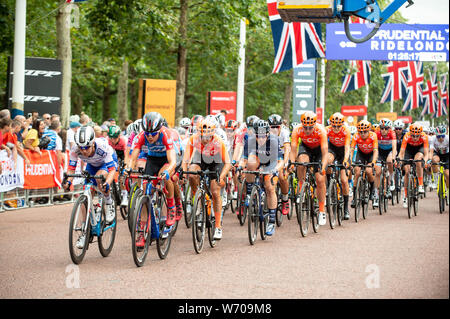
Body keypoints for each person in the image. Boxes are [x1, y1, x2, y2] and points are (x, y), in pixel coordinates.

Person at [126, 112, 179, 240]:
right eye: (147, 133)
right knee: (145, 190)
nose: (150, 137)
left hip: (166, 160)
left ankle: (171, 207)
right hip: (152, 159)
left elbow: (172, 161)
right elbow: (133, 159)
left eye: (153, 134)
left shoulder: (166, 135)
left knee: (165, 177)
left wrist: (168, 172)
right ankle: (142, 229)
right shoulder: (140, 136)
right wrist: (127, 169)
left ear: (159, 130)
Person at [63, 126, 118, 248]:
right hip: (92, 165)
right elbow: (71, 169)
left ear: (92, 143)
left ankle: (109, 203)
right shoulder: (75, 149)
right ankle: (84, 230)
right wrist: (68, 181)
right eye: (81, 148)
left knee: (100, 180)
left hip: (106, 164)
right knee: (85, 195)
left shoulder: (103, 147)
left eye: (87, 147)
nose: (83, 151)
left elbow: (112, 170)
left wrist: (107, 183)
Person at [182, 117, 232, 240]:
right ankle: (197, 199)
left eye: (208, 137)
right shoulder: (193, 139)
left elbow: (228, 164)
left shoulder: (218, 141)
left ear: (212, 135)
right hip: (201, 159)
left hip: (216, 162)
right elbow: (186, 160)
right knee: (192, 174)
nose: (205, 140)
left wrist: (221, 177)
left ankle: (218, 226)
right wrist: (184, 173)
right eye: (203, 137)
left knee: (215, 191)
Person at [238, 119, 283, 236]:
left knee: (269, 187)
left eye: (264, 136)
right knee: (250, 164)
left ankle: (272, 221)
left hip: (271, 163)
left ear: (268, 134)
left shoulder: (274, 140)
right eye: (259, 136)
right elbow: (244, 158)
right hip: (257, 159)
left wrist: (275, 170)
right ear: (255, 134)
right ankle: (249, 192)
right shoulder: (250, 140)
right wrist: (240, 166)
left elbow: (280, 161)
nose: (261, 139)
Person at [290, 111, 328, 225]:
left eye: (310, 128)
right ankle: (302, 187)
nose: (307, 130)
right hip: (306, 148)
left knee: (320, 180)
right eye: (305, 127)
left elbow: (325, 153)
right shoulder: (297, 129)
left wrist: (323, 167)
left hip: (319, 151)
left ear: (314, 125)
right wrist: (291, 163)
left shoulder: (321, 130)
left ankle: (321, 211)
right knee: (301, 162)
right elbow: (293, 149)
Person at [326, 112, 351, 219]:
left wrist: (345, 160)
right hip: (332, 149)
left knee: (344, 181)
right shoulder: (327, 129)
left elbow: (347, 149)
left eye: (338, 126)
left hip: (343, 152)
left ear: (342, 124)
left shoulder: (346, 130)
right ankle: (328, 185)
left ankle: (346, 208)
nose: (336, 128)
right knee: (327, 161)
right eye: (334, 125)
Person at [397, 122, 429, 208]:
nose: (415, 138)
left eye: (417, 136)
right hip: (409, 149)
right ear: (410, 133)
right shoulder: (406, 136)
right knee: (407, 171)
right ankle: (406, 196)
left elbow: (426, 154)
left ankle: (421, 184)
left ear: (420, 134)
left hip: (419, 149)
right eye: (413, 136)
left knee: (418, 160)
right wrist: (399, 160)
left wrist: (425, 161)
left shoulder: (424, 137)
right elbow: (402, 152)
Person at [350, 120, 380, 208]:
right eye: (360, 132)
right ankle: (355, 198)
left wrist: (373, 162)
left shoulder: (373, 136)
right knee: (357, 172)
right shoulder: (356, 136)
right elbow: (352, 150)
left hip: (371, 155)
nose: (362, 134)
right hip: (361, 154)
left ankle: (372, 190)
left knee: (368, 171)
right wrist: (350, 161)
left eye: (365, 131)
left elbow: (375, 151)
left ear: (369, 130)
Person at [268, 114, 291, 216]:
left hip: (282, 155)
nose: (274, 129)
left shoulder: (285, 133)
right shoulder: (266, 132)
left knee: (282, 177)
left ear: (280, 126)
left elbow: (287, 149)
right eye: (272, 127)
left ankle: (285, 200)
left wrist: (285, 163)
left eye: (276, 127)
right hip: (272, 154)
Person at [376, 118, 397, 194]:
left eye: (386, 128)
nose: (383, 130)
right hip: (381, 152)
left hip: (390, 151)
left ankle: (391, 179)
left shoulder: (392, 133)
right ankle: (376, 194)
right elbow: (374, 148)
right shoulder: (377, 133)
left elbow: (394, 147)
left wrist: (393, 158)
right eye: (382, 128)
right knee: (378, 172)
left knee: (389, 161)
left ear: (389, 128)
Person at [430, 125, 449, 190]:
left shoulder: (448, 139)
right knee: (434, 160)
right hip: (437, 153)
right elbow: (431, 151)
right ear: (436, 135)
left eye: (442, 136)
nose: (440, 138)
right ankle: (435, 180)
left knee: (447, 174)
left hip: (446, 154)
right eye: (438, 136)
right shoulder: (432, 139)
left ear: (445, 135)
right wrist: (429, 160)